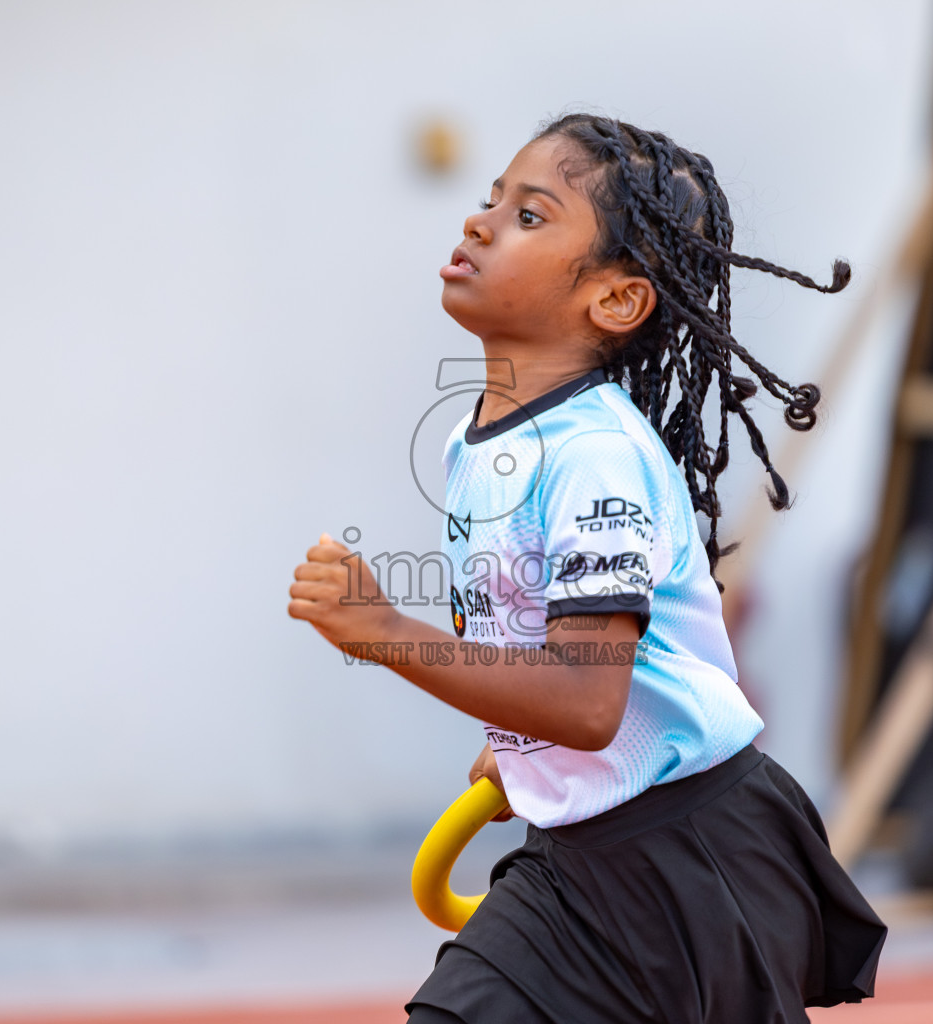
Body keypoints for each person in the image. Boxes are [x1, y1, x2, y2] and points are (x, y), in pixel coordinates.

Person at [286, 113, 886, 1023]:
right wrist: (518, 738)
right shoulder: (477, 441)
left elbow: (586, 702)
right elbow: (541, 643)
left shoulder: (594, 453)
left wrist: (384, 634)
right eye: (491, 202)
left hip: (689, 857)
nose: (480, 223)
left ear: (614, 300)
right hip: (575, 856)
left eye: (530, 217)